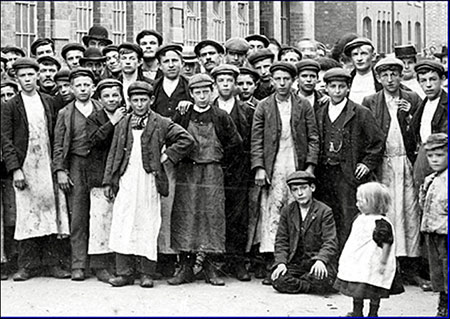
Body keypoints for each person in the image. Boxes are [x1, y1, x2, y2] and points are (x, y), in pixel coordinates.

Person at [103, 81, 194, 288]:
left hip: (149, 181)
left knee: (148, 223)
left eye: (144, 100)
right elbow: (114, 153)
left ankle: (146, 273)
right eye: (135, 100)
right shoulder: (123, 123)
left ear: (151, 100)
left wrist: (167, 156)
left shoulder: (161, 122)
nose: (140, 104)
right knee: (123, 222)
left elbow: (186, 139)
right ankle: (124, 272)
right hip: (126, 179)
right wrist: (109, 180)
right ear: (130, 101)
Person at [249, 62, 319, 284]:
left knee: (297, 209)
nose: (281, 83)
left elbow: (314, 138)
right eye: (277, 79)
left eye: (286, 79)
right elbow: (256, 140)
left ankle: (294, 261)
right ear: (271, 80)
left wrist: (309, 166)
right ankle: (274, 261)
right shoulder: (263, 106)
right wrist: (259, 167)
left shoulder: (303, 105)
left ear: (293, 81)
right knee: (273, 209)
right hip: (274, 165)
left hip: (296, 162)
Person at [169, 74, 242, 286]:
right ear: (191, 94)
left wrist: (221, 163)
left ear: (213, 92)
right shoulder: (183, 114)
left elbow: (235, 144)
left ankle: (211, 268)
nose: (202, 96)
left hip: (212, 172)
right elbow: (171, 137)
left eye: (205, 92)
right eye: (197, 92)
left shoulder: (220, 116)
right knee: (186, 216)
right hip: (187, 172)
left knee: (213, 216)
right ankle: (185, 267)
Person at [1, 58, 70, 281]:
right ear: (16, 78)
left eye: (31, 75)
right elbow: (6, 140)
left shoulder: (48, 101)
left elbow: (57, 134)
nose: (28, 80)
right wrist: (15, 169)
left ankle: (51, 264)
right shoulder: (11, 106)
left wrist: (58, 165)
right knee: (27, 214)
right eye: (23, 76)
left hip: (47, 162)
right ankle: (27, 265)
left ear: (38, 75)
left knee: (51, 212)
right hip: (26, 165)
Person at [314, 68, 385, 251]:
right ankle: (330, 259)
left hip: (348, 175)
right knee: (328, 216)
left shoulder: (360, 112)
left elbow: (377, 142)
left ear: (348, 88)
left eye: (341, 87)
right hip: (325, 173)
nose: (337, 91)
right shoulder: (320, 112)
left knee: (348, 216)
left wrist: (367, 163)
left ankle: (349, 258)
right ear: (326, 89)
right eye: (333, 87)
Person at [53, 68, 103, 281]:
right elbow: (58, 144)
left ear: (93, 88)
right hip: (75, 164)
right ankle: (78, 264)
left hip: (98, 165)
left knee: (100, 215)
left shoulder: (102, 108)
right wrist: (61, 170)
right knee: (79, 217)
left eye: (86, 85)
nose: (83, 89)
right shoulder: (65, 113)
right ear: (71, 88)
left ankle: (101, 264)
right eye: (78, 85)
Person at [151, 43, 193, 277]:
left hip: (183, 155)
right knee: (160, 205)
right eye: (166, 61)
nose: (171, 65)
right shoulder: (153, 88)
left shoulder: (189, 88)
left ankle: (181, 260)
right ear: (159, 64)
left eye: (175, 60)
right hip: (158, 154)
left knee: (180, 206)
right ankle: (161, 258)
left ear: (181, 63)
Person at [334, 182, 404, 317]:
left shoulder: (381, 223)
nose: (357, 204)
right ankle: (357, 311)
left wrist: (383, 262)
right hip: (360, 261)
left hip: (373, 262)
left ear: (374, 203)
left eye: (361, 201)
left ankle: (373, 313)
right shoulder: (360, 218)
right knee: (357, 289)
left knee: (374, 289)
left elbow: (387, 243)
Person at [211, 64, 254, 281]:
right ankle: (216, 261)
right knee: (216, 214)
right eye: (221, 81)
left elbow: (252, 142)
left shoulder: (246, 111)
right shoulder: (207, 108)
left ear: (235, 84)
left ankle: (237, 262)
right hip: (214, 170)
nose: (225, 85)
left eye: (229, 81)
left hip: (239, 170)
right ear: (215, 85)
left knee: (238, 215)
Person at [85, 79, 127, 283]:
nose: (112, 99)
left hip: (122, 175)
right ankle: (99, 265)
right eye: (107, 96)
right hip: (100, 176)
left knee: (118, 220)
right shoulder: (94, 118)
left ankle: (119, 264)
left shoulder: (127, 116)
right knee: (100, 221)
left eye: (115, 95)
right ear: (100, 99)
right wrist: (112, 123)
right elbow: (93, 141)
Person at [271, 171, 338, 294]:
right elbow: (281, 240)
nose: (300, 193)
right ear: (291, 192)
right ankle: (309, 285)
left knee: (322, 277)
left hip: (316, 261)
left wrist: (321, 260)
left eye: (303, 188)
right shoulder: (287, 211)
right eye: (295, 190)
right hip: (297, 264)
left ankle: (304, 283)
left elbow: (330, 241)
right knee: (278, 280)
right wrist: (281, 263)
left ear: (312, 188)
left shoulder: (324, 211)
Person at [419, 133, 448, 317]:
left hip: (446, 233)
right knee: (437, 272)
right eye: (430, 156)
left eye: (440, 155)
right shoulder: (431, 179)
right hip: (432, 231)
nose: (435, 160)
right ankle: (443, 304)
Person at [410, 60, 447, 191]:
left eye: (433, 79)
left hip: (441, 160)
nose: (428, 85)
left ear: (442, 79)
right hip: (423, 157)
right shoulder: (423, 104)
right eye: (423, 81)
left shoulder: (446, 105)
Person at [344, 37, 382, 104]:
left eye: (363, 53)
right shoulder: (346, 81)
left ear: (373, 56)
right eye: (355, 54)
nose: (359, 58)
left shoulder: (381, 80)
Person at [117, 43, 153, 110]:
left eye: (132, 58)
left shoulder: (149, 84)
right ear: (119, 61)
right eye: (124, 58)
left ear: (140, 62)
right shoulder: (114, 84)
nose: (128, 62)